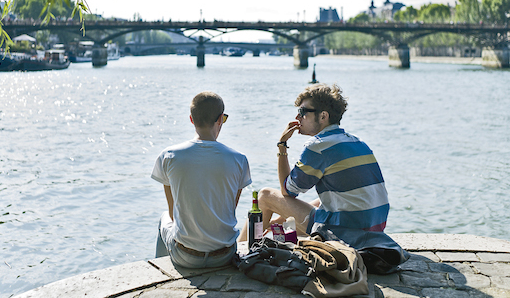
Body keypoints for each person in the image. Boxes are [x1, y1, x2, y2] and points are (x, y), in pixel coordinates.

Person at [243, 83, 407, 273]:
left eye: (303, 111)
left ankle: (242, 252)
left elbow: (288, 190)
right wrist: (278, 219)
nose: (298, 117)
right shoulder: (356, 141)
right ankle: (269, 230)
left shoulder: (318, 146)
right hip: (372, 227)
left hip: (344, 231)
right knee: (316, 201)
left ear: (323, 116)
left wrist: (282, 146)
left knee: (264, 196)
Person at [152, 91, 251, 268]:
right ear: (220, 119)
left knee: (164, 218)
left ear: (191, 119)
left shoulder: (169, 156)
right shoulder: (239, 159)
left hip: (186, 256)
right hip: (225, 255)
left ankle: (162, 270)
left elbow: (173, 214)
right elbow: (228, 209)